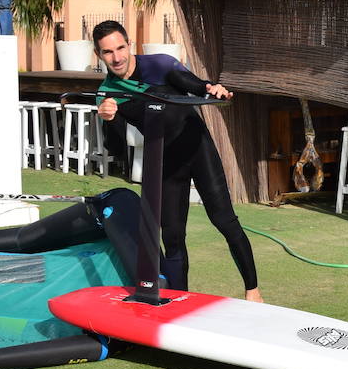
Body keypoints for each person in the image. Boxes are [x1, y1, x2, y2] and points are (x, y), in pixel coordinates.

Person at [92, 20, 264, 303]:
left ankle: (253, 291)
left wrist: (211, 89)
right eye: (108, 52)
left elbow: (192, 84)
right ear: (100, 56)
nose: (117, 57)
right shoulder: (108, 94)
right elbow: (116, 149)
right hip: (165, 162)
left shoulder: (159, 64)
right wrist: (109, 120)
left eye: (120, 48)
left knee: (224, 220)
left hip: (198, 149)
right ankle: (180, 302)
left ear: (129, 44)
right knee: (172, 237)